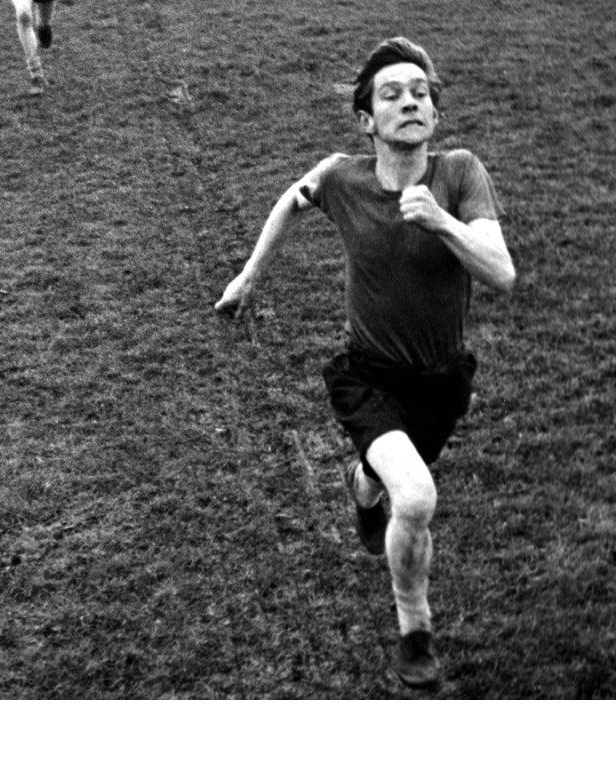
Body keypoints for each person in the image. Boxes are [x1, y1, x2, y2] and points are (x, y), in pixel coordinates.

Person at [215, 37, 516, 689]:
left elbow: (502, 274)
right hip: (369, 375)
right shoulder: (341, 177)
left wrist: (442, 223)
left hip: (442, 382)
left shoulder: (461, 174)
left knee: (391, 484)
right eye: (392, 94)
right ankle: (416, 628)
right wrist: (247, 277)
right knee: (417, 495)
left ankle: (360, 481)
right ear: (366, 121)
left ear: (433, 114)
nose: (410, 101)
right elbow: (290, 202)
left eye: (420, 93)